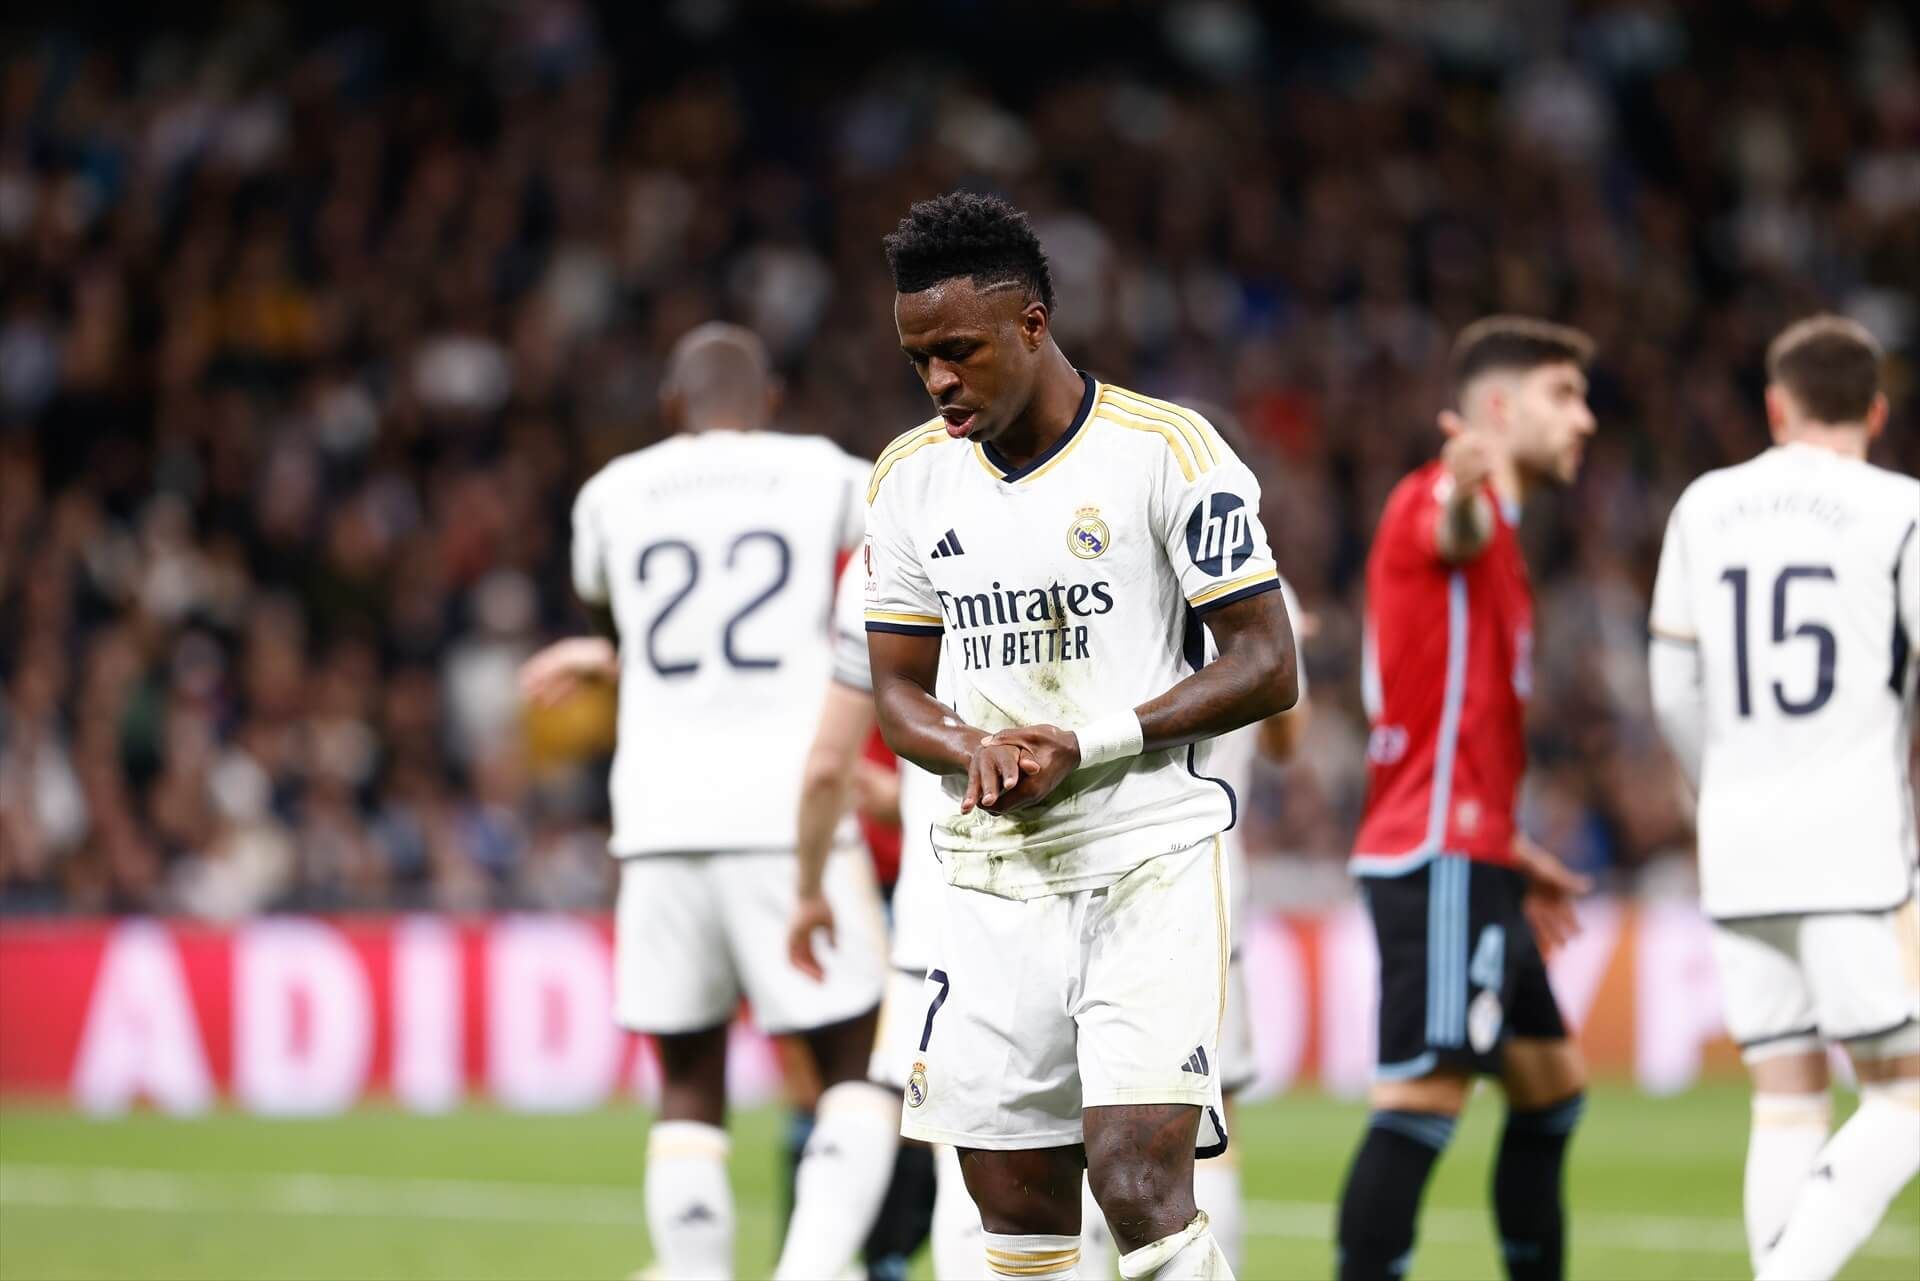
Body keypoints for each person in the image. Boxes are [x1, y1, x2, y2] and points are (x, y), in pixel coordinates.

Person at [862, 191, 1299, 1281]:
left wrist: (1087, 742)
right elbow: (897, 693)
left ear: (1032, 324)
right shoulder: (910, 479)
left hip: (1147, 858)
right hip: (996, 881)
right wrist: (971, 747)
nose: (941, 381)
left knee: (1138, 1179)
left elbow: (1266, 662)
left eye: (959, 351)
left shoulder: (1168, 451)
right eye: (920, 360)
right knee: (1011, 1207)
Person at [520, 322, 894, 1281]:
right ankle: (812, 1269)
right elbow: (912, 547)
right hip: (785, 810)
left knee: (687, 1079)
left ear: (668, 408)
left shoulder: (611, 493)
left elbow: (631, 625)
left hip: (655, 820)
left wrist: (607, 655)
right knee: (864, 1061)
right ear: (769, 400)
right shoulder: (824, 471)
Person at [1647, 314, 1920, 1281]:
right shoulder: (1900, 510)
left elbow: (1673, 688)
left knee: (1787, 1096)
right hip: (1854, 842)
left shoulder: (1704, 505)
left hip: (1738, 838)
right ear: (1876, 411)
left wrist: (1722, 787)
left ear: (1776, 405)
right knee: (1905, 1094)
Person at [1334, 317, 1597, 1281]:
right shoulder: (1442, 505)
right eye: (1563, 396)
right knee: (1421, 1101)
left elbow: (1457, 717)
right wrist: (1465, 478)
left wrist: (1510, 846)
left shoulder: (1510, 553)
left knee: (1551, 1089)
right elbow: (1455, 514)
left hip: (1475, 851)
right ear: (1496, 408)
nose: (1587, 420)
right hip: (1434, 857)